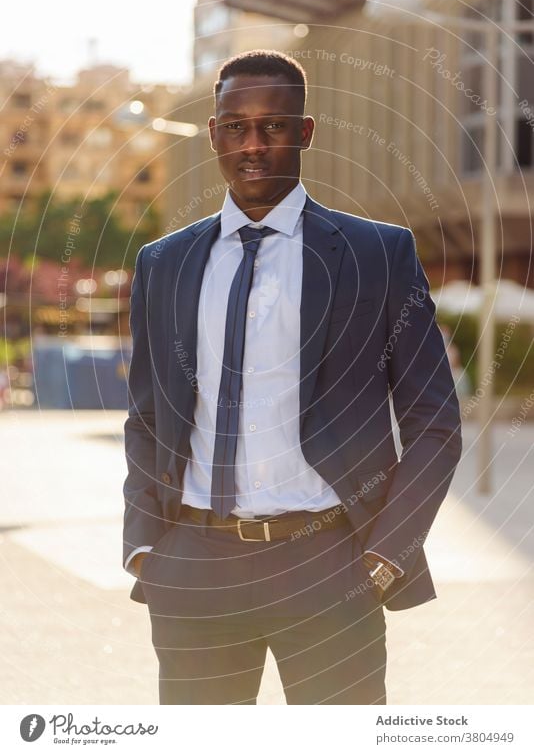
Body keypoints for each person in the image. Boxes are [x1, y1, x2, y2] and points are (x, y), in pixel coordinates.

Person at [122, 49, 462, 705]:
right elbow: (147, 414)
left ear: (304, 132)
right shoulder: (164, 263)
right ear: (215, 133)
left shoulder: (377, 253)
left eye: (273, 125)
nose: (253, 144)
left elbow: (434, 421)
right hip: (196, 567)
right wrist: (145, 545)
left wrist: (386, 555)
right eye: (235, 126)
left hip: (329, 564)